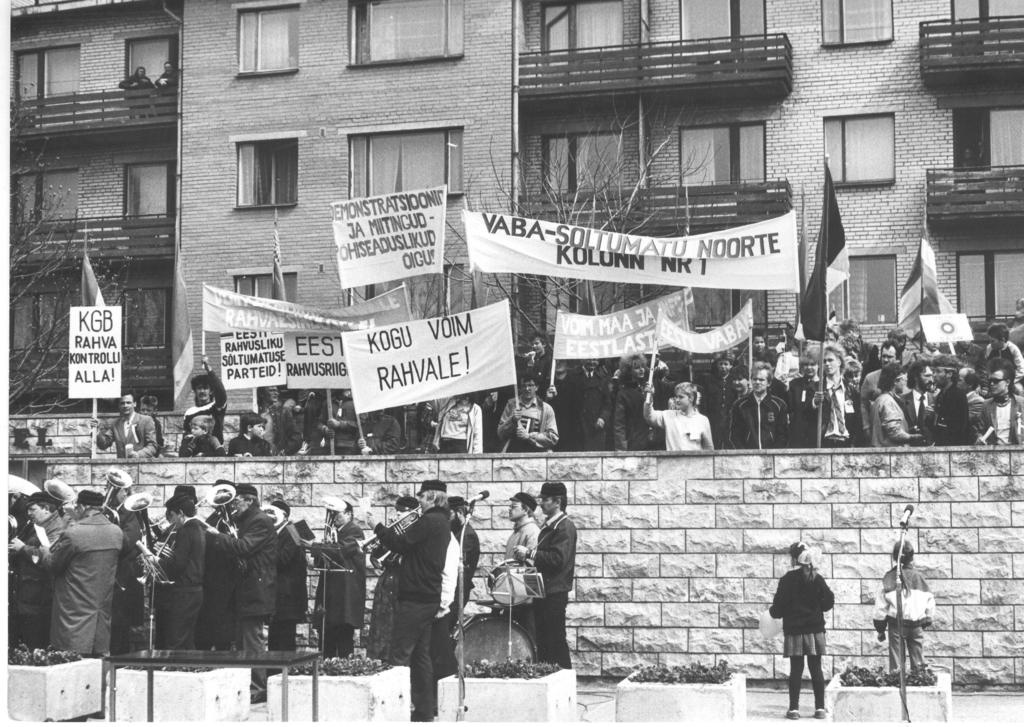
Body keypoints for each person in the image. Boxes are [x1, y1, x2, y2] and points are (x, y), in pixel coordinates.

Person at [364, 479, 451, 722]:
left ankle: (394, 710)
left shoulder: (430, 520)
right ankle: (423, 711)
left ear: (432, 497)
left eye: (422, 497)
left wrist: (376, 526)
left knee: (399, 654)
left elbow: (399, 543)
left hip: (415, 597)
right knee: (420, 655)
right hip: (427, 596)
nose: (419, 502)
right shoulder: (442, 522)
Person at [204, 482, 277, 703]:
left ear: (249, 500)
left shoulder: (260, 521)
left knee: (252, 640)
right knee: (244, 641)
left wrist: (218, 534)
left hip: (256, 589)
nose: (233, 504)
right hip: (246, 588)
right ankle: (248, 685)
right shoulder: (246, 519)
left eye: (237, 500)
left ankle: (258, 687)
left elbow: (243, 547)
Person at [46, 489, 128, 656]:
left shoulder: (74, 533)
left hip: (73, 616)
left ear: (82, 507)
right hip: (101, 619)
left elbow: (53, 565)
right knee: (97, 670)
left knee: (70, 667)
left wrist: (41, 551)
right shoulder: (116, 532)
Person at [513, 481, 576, 670]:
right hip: (545, 591)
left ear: (557, 502)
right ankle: (551, 675)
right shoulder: (551, 526)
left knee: (554, 640)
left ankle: (563, 677)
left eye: (545, 500)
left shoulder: (564, 527)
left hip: (554, 592)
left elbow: (558, 559)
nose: (541, 504)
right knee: (545, 640)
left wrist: (529, 553)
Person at [769, 541, 835, 720]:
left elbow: (777, 609)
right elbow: (828, 603)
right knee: (816, 669)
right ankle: (820, 708)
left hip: (795, 631)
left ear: (793, 559)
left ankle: (794, 709)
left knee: (796, 669)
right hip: (815, 630)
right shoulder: (817, 578)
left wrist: (772, 612)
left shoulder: (787, 580)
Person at [9, 489, 68, 648]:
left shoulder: (56, 528)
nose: (29, 513)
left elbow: (49, 557)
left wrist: (22, 549)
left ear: (46, 509)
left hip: (40, 593)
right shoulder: (36, 524)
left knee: (36, 637)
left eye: (33, 509)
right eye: (28, 509)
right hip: (28, 592)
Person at [366, 495, 418, 661]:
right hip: (387, 580)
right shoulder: (394, 531)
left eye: (400, 512)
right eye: (396, 511)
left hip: (401, 581)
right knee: (381, 625)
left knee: (394, 625)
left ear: (411, 514)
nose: (396, 516)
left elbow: (404, 552)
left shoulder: (413, 531)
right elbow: (379, 555)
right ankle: (379, 659)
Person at [312, 496, 365, 658]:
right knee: (327, 630)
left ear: (349, 514)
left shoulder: (354, 530)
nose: (333, 518)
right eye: (331, 514)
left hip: (344, 590)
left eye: (337, 514)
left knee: (343, 631)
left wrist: (315, 546)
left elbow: (341, 551)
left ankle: (343, 663)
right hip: (332, 589)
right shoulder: (333, 532)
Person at [152, 493, 205, 650]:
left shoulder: (185, 531)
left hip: (184, 591)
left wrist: (157, 561)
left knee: (176, 637)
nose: (172, 522)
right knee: (186, 637)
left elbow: (178, 565)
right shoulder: (199, 528)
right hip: (195, 591)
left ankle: (176, 670)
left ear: (181, 513)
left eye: (173, 516)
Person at [872, 542, 935, 672]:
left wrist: (880, 629)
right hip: (916, 625)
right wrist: (927, 619)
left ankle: (897, 686)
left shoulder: (889, 578)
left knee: (896, 665)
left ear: (895, 557)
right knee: (918, 663)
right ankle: (919, 687)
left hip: (896, 626)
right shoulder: (919, 578)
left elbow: (880, 607)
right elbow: (930, 601)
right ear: (912, 557)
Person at [195, 482, 239, 651]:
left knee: (223, 624)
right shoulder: (215, 518)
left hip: (226, 575)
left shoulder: (231, 519)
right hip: (213, 575)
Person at [266, 499, 307, 666]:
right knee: (275, 639)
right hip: (279, 596)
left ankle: (282, 676)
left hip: (288, 598)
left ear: (283, 515)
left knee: (284, 640)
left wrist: (265, 547)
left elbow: (283, 559)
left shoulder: (292, 531)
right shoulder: (279, 533)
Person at [503, 492, 540, 638]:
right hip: (513, 596)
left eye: (514, 506)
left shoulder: (532, 532)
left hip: (524, 599)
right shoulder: (516, 533)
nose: (509, 509)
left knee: (527, 638)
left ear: (526, 510)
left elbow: (532, 567)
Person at [811, 343, 863, 448]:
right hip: (824, 442)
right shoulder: (815, 388)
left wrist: (855, 443)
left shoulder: (851, 390)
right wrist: (814, 403)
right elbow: (806, 417)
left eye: (830, 360)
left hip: (846, 442)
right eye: (824, 361)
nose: (827, 364)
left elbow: (857, 419)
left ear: (839, 362)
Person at [728, 362, 789, 449]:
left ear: (769, 383)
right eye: (754, 379)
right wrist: (744, 453)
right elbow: (735, 435)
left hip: (772, 455)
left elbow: (783, 435)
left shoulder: (779, 405)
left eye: (761, 380)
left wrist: (774, 453)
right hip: (747, 455)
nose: (757, 382)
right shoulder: (740, 405)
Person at [643, 381, 713, 451]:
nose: (677, 400)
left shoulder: (703, 420)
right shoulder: (668, 415)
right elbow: (649, 416)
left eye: (681, 397)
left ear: (691, 398)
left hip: (696, 462)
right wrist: (649, 397)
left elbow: (709, 449)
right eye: (676, 397)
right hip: (674, 461)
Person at [498, 373, 559, 452]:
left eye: (530, 385)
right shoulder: (511, 405)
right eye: (524, 385)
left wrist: (529, 436)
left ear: (536, 387)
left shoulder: (546, 409)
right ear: (520, 388)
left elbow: (553, 437)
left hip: (538, 455)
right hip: (514, 453)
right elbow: (500, 433)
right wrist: (512, 420)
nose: (527, 388)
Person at [870, 364, 925, 447]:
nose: (905, 384)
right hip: (889, 453)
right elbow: (894, 433)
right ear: (896, 381)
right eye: (904, 380)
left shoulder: (880, 400)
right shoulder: (888, 401)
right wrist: (914, 437)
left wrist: (908, 430)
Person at [93, 393, 158, 458]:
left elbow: (152, 446)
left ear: (134, 404)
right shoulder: (115, 424)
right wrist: (97, 432)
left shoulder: (146, 420)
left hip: (140, 465)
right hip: (122, 466)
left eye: (128, 403)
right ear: (119, 405)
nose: (125, 405)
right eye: (122, 403)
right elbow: (104, 445)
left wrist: (138, 454)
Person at [976, 360, 1024, 445]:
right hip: (993, 453)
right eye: (990, 380)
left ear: (1008, 382)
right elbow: (980, 430)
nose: (991, 384)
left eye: (996, 381)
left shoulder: (1021, 403)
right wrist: (980, 438)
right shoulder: (986, 405)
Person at [183, 358, 228, 443]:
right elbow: (186, 436)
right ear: (195, 391)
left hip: (214, 451)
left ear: (211, 391)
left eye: (205, 388)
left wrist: (209, 370)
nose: (202, 391)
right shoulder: (189, 412)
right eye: (199, 388)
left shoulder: (216, 406)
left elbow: (221, 392)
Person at [859, 341, 899, 438]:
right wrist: (866, 426)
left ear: (897, 358)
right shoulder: (870, 378)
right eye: (883, 356)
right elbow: (863, 403)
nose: (885, 360)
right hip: (877, 430)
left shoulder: (902, 378)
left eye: (890, 357)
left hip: (898, 428)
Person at [931, 356, 973, 445]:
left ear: (949, 374)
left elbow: (960, 428)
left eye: (938, 371)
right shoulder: (940, 395)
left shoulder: (958, 395)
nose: (934, 375)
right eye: (934, 371)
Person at [614, 355, 652, 451]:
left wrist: (650, 396)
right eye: (637, 368)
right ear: (628, 371)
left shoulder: (647, 388)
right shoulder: (623, 394)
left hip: (649, 441)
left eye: (642, 367)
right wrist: (621, 448)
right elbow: (619, 424)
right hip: (634, 441)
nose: (641, 370)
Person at [700, 355, 737, 448]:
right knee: (715, 441)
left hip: (730, 417)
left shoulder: (734, 380)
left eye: (726, 364)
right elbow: (705, 400)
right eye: (720, 364)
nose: (723, 367)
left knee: (730, 441)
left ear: (731, 366)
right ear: (717, 365)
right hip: (714, 417)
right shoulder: (709, 380)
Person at [788, 356, 820, 448]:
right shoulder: (795, 384)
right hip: (798, 432)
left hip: (816, 432)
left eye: (813, 364)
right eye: (806, 365)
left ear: (818, 365)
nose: (809, 367)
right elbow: (791, 407)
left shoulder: (822, 385)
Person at [902, 360, 936, 444]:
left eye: (932, 376)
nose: (931, 380)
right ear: (916, 377)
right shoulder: (902, 401)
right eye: (927, 376)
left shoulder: (936, 399)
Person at [983, 322, 1024, 386]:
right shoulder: (989, 348)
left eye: (993, 341)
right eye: (989, 341)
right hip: (994, 380)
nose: (990, 343)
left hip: (1012, 381)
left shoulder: (1013, 349)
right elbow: (986, 367)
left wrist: (1011, 381)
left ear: (1002, 339)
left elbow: (1021, 369)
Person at [324, 389, 360, 454]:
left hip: (349, 446)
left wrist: (339, 424)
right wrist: (325, 429)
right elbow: (318, 423)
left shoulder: (356, 402)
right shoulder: (328, 402)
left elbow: (361, 425)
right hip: (329, 445)